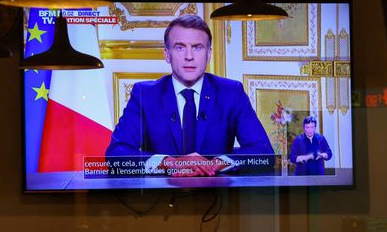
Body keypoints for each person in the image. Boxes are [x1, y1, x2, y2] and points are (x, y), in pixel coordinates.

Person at [105, 14, 274, 177]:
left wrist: (216, 163)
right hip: (160, 200)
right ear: (167, 54)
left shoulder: (231, 92)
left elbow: (263, 152)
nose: (189, 57)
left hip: (218, 198)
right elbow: (116, 154)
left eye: (197, 47)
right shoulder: (145, 94)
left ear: (208, 54)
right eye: (180, 47)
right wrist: (170, 163)